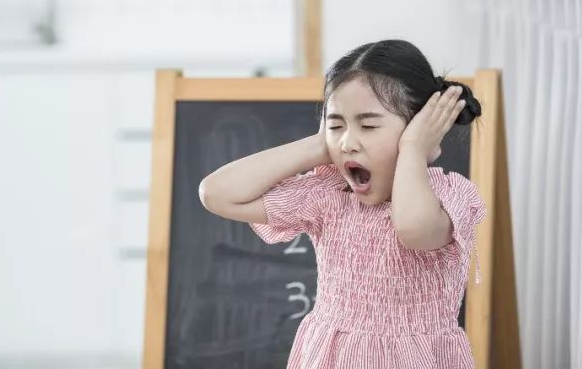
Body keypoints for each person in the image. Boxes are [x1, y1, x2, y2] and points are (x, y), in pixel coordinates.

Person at [199, 39, 484, 368]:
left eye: (368, 125)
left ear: (421, 128)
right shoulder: (330, 196)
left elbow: (412, 228)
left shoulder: (449, 196)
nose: (348, 142)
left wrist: (414, 150)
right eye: (336, 125)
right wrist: (321, 145)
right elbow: (216, 193)